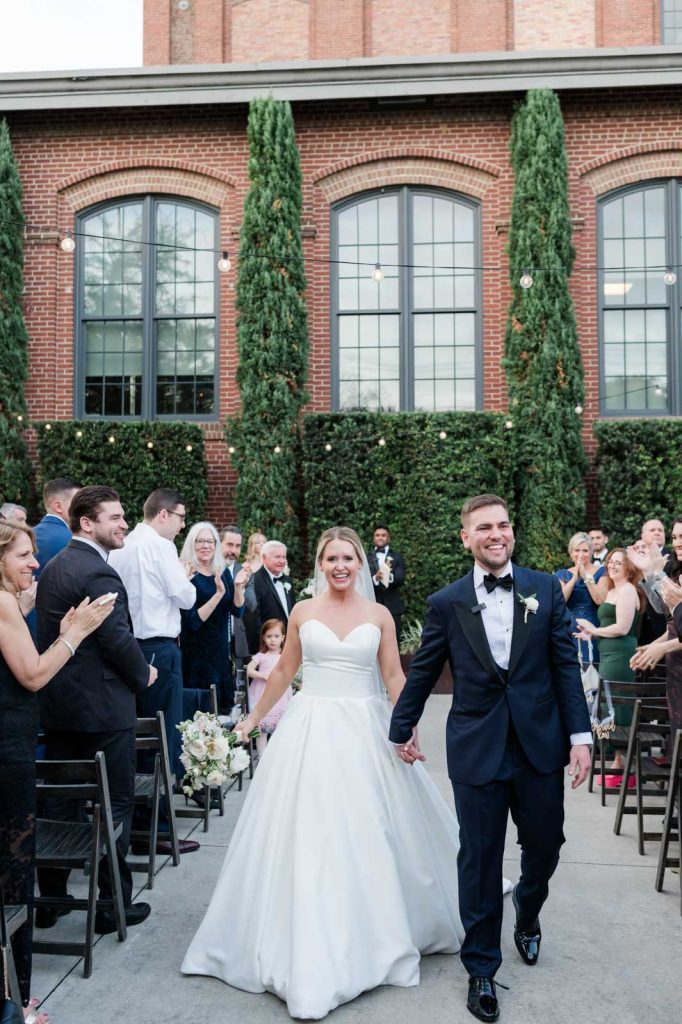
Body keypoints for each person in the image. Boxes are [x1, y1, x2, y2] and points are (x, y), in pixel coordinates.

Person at [182, 526, 466, 1020]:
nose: (340, 566)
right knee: (309, 831)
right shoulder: (303, 611)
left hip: (366, 728)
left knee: (372, 828)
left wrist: (408, 728)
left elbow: (394, 676)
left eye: (348, 558)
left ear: (360, 564)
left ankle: (377, 931)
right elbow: (283, 671)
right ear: (319, 563)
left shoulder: (378, 615)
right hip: (310, 728)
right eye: (331, 558)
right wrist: (251, 720)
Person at [389, 494, 591, 1024]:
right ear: (466, 538)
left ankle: (528, 905)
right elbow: (424, 669)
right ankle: (481, 967)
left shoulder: (544, 589)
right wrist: (400, 727)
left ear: (512, 532)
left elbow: (565, 667)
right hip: (477, 746)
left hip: (539, 742)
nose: (495, 534)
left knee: (545, 844)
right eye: (484, 527)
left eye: (502, 525)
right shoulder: (446, 602)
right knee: (479, 858)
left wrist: (580, 737)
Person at [0, 521, 115, 1023]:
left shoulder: (10, 603)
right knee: (12, 876)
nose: (35, 562)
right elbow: (32, 675)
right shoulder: (1, 603)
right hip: (8, 752)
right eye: (23, 555)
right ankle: (15, 1002)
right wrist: (76, 633)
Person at [35, 486, 156, 936]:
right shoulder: (99, 573)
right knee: (115, 803)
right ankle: (111, 906)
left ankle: (52, 901)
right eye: (116, 517)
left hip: (60, 707)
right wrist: (144, 675)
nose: (124, 524)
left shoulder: (54, 567)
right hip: (104, 712)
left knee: (60, 803)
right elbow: (117, 640)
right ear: (87, 523)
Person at [108, 488, 196, 804]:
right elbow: (186, 597)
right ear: (163, 514)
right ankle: (157, 820)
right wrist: (185, 578)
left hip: (126, 647)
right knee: (162, 732)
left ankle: (135, 811)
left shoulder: (122, 545)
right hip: (159, 647)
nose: (182, 525)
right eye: (180, 518)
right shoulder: (161, 546)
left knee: (136, 731)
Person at [576, 548, 641, 786]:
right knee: (607, 704)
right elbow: (608, 626)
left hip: (621, 656)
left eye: (618, 563)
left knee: (618, 706)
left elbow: (622, 627)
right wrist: (591, 635)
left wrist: (594, 630)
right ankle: (616, 760)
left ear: (628, 568)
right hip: (607, 654)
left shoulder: (628, 590)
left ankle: (623, 766)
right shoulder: (613, 590)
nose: (612, 566)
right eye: (610, 562)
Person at [179, 521, 248, 714]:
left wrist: (238, 588)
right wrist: (218, 595)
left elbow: (237, 611)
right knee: (199, 713)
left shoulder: (222, 570)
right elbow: (192, 621)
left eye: (210, 541)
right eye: (200, 541)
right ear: (192, 543)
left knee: (222, 712)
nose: (206, 546)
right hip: (195, 655)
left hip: (220, 653)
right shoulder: (186, 573)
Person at [631, 518, 682, 743]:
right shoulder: (675, 568)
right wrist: (653, 646)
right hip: (675, 666)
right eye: (675, 537)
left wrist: (662, 648)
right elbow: (667, 614)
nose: (677, 543)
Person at [554, 532, 606, 665]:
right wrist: (574, 579)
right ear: (571, 553)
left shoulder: (602, 572)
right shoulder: (562, 574)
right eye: (577, 550)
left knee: (592, 665)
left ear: (591, 552)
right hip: (569, 627)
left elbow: (600, 600)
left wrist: (586, 576)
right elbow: (560, 602)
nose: (581, 554)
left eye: (585, 550)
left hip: (593, 625)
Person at [245, 618, 291, 754]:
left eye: (276, 636)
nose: (272, 640)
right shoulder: (261, 656)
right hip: (262, 693)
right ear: (263, 638)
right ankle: (262, 758)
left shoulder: (285, 656)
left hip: (280, 694)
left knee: (280, 729)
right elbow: (249, 670)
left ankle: (277, 757)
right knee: (261, 729)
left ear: (283, 638)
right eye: (269, 636)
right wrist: (262, 675)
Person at [220, 525, 257, 677]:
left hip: (237, 645)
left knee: (237, 687)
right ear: (218, 544)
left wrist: (239, 587)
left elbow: (251, 606)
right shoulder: (208, 570)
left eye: (237, 546)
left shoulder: (245, 573)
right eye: (229, 545)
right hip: (212, 642)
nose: (233, 551)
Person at [32, 478, 82, 577]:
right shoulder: (74, 540)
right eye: (78, 503)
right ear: (58, 507)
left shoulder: (29, 534)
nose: (85, 507)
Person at [367, 524, 406, 641]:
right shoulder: (366, 558)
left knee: (394, 639)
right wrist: (376, 578)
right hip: (373, 605)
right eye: (377, 535)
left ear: (388, 538)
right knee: (372, 640)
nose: (380, 537)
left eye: (383, 535)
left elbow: (400, 579)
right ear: (374, 538)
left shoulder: (397, 557)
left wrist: (386, 576)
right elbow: (363, 579)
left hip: (393, 606)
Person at [251, 540, 295, 641]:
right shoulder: (254, 581)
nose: (282, 561)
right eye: (277, 557)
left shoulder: (288, 580)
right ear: (264, 558)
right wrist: (264, 644)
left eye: (284, 557)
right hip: (268, 642)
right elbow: (254, 619)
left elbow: (292, 610)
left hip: (288, 640)